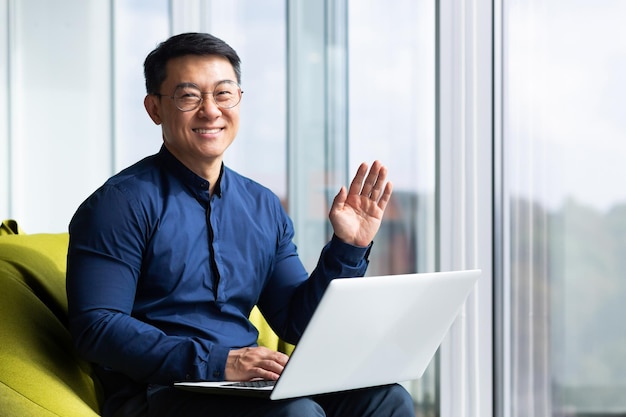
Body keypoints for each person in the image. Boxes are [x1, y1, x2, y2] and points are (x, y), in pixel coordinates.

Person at [66, 32, 414, 417]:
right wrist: (220, 362)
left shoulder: (262, 205)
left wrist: (347, 247)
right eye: (188, 96)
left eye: (223, 94)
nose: (211, 111)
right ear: (155, 109)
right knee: (295, 413)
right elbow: (96, 326)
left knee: (387, 397)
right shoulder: (119, 204)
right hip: (159, 391)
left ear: (239, 100)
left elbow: (296, 323)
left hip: (247, 386)